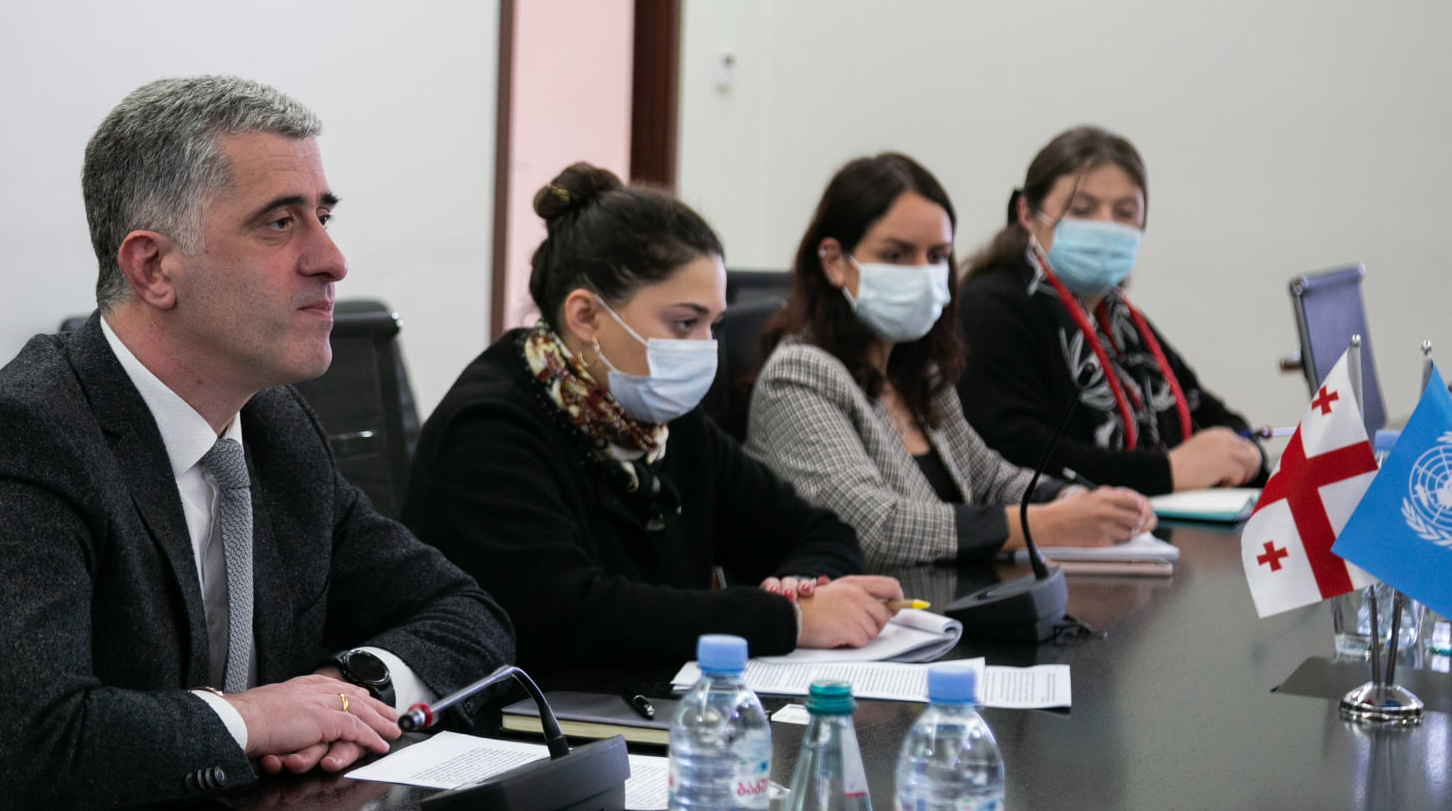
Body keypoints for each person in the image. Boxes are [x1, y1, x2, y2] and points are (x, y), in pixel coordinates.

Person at [0, 77, 513, 811]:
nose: (331, 260)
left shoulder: (274, 428)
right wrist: (251, 721)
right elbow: (32, 756)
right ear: (154, 267)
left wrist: (349, 689)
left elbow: (466, 613)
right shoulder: (22, 440)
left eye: (323, 217)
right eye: (280, 223)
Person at [401, 163, 903, 676]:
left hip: (649, 704)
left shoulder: (659, 418)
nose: (705, 348)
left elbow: (817, 531)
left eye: (713, 325)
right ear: (586, 316)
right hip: (528, 714)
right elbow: (566, 617)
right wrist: (786, 618)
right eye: (684, 323)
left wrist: (803, 588)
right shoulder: (488, 431)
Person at [746, 153, 1155, 570]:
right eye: (895, 255)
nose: (922, 273)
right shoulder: (799, 376)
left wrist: (1073, 499)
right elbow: (871, 527)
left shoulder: (919, 373)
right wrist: (1043, 524)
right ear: (834, 262)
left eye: (937, 256)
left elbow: (989, 477)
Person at [957, 126, 1265, 495]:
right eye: (1082, 210)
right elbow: (1016, 453)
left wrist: (1248, 454)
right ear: (1026, 213)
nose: (1106, 225)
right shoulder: (989, 308)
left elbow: (1209, 413)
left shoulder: (1121, 320)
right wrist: (1169, 470)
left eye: (1125, 213)